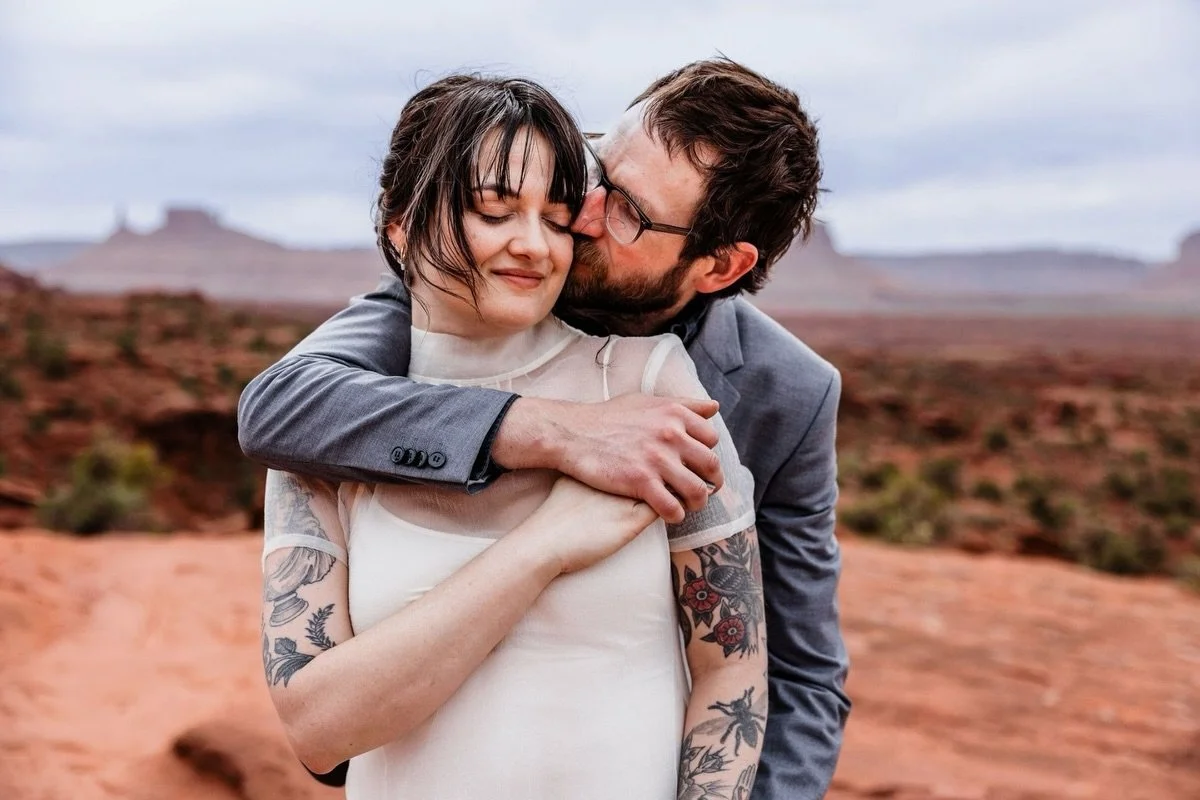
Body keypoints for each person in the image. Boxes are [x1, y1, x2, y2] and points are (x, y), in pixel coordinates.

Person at [240, 58, 849, 799]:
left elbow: (791, 672)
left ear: (719, 266)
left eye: (625, 209)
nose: (578, 216)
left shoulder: (781, 394)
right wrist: (549, 433)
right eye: (596, 169)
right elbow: (282, 407)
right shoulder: (439, 292)